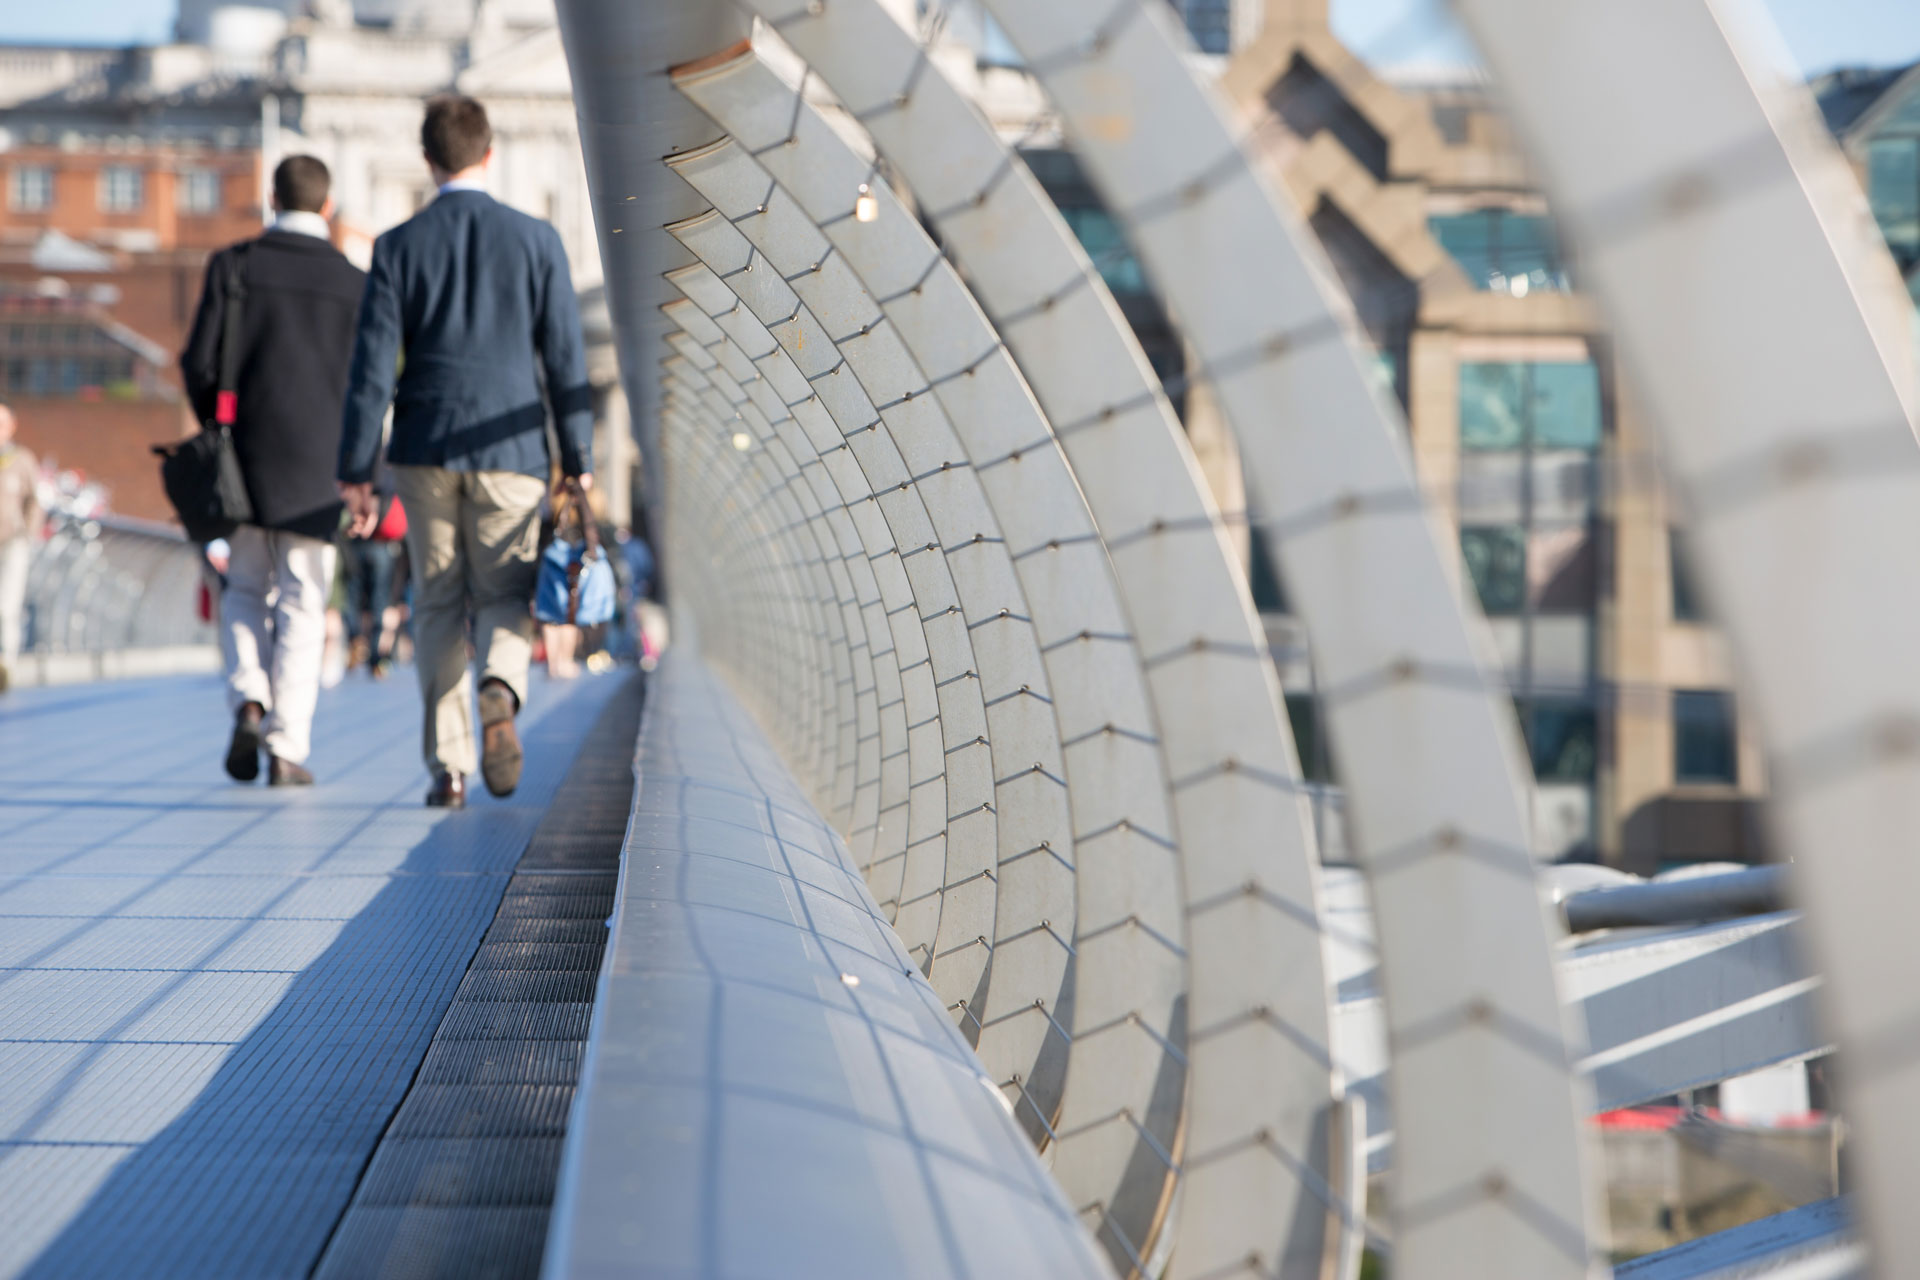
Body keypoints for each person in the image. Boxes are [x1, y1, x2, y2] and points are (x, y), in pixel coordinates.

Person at [338, 94, 593, 809]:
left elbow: (370, 371)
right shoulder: (537, 240)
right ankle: (499, 689)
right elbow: (566, 361)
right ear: (490, 154)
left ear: (427, 161)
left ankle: (448, 768)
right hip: (512, 446)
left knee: (438, 601)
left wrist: (357, 470)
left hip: (422, 448)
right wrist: (577, 457)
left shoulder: (397, 246)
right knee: (507, 592)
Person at [181, 155, 366, 786]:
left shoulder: (233, 267)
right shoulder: (352, 282)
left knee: (241, 588)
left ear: (270, 197)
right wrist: (361, 465)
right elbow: (368, 389)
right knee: (303, 601)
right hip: (320, 468)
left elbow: (197, 364)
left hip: (244, 460)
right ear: (327, 204)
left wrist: (220, 427)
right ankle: (287, 745)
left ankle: (249, 698)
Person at [342, 466, 404, 678]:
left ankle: (356, 639)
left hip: (356, 537)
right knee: (379, 598)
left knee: (354, 594)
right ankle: (376, 655)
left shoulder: (356, 464)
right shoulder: (386, 470)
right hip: (381, 542)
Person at [0, 404, 43, 692]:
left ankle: (6, 665)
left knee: (7, 606)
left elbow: (35, 501)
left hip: (12, 542)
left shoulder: (21, 459)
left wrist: (28, 533)